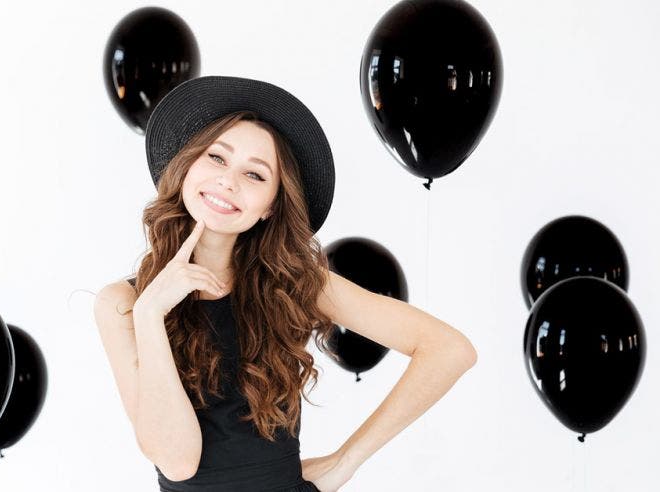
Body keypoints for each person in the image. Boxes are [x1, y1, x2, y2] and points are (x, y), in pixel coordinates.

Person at [93, 75, 477, 492]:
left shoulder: (294, 282)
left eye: (255, 175)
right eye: (217, 158)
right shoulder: (124, 303)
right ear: (186, 167)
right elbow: (178, 462)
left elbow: (450, 350)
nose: (228, 181)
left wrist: (345, 461)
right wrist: (151, 314)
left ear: (270, 207)